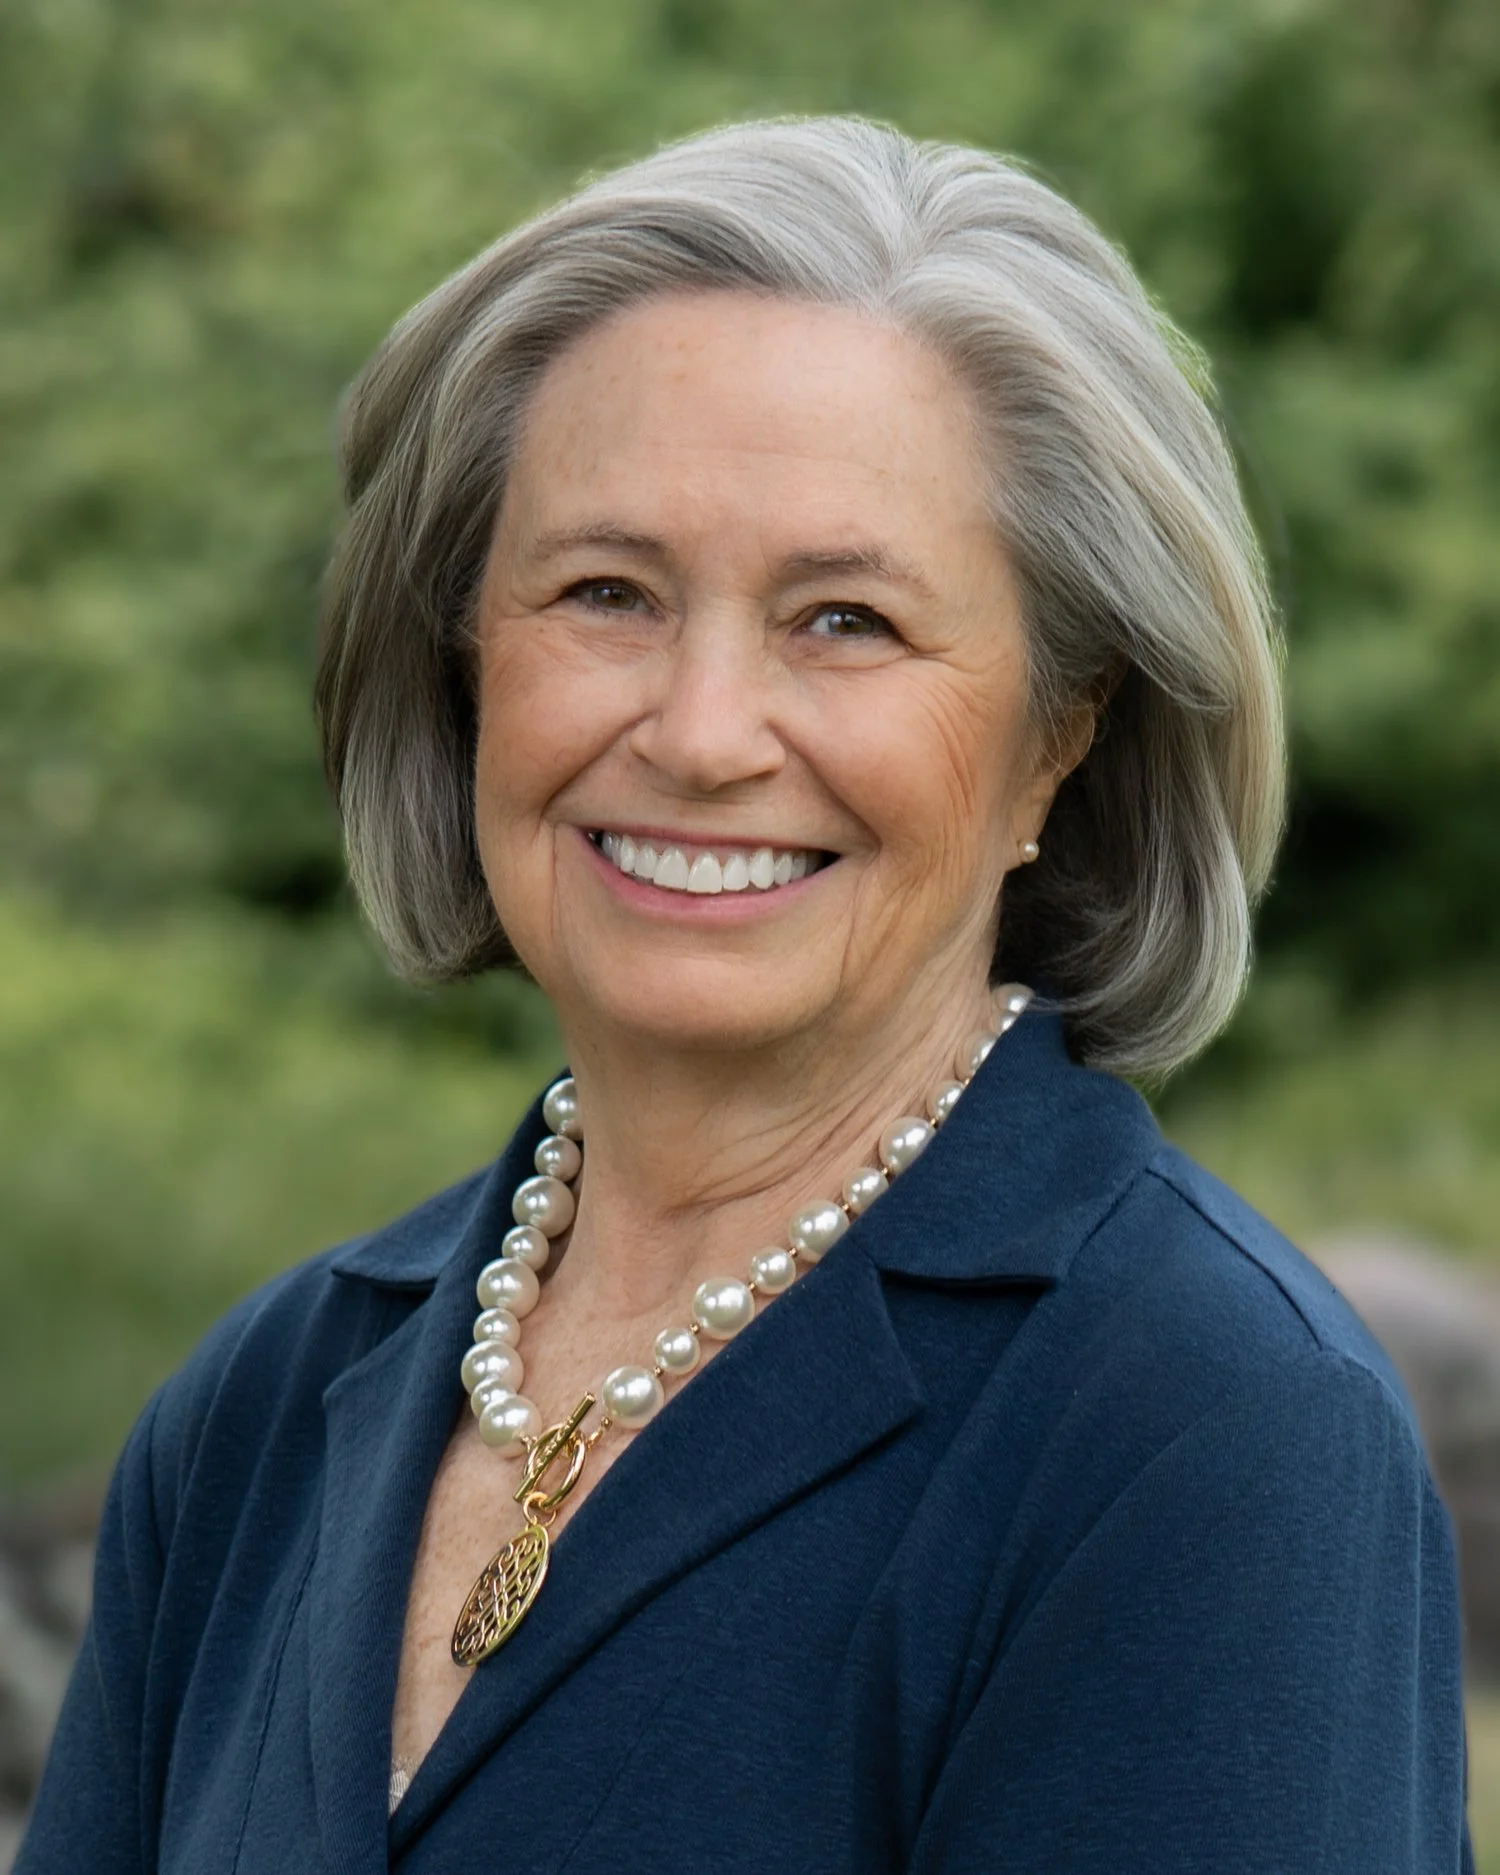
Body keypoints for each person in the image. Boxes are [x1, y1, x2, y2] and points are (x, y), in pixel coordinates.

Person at [19, 116, 1475, 1873]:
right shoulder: (261, 1409)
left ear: (1061, 736)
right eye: (607, 593)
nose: (702, 732)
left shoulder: (1210, 1435)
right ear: (467, 657)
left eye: (844, 619)